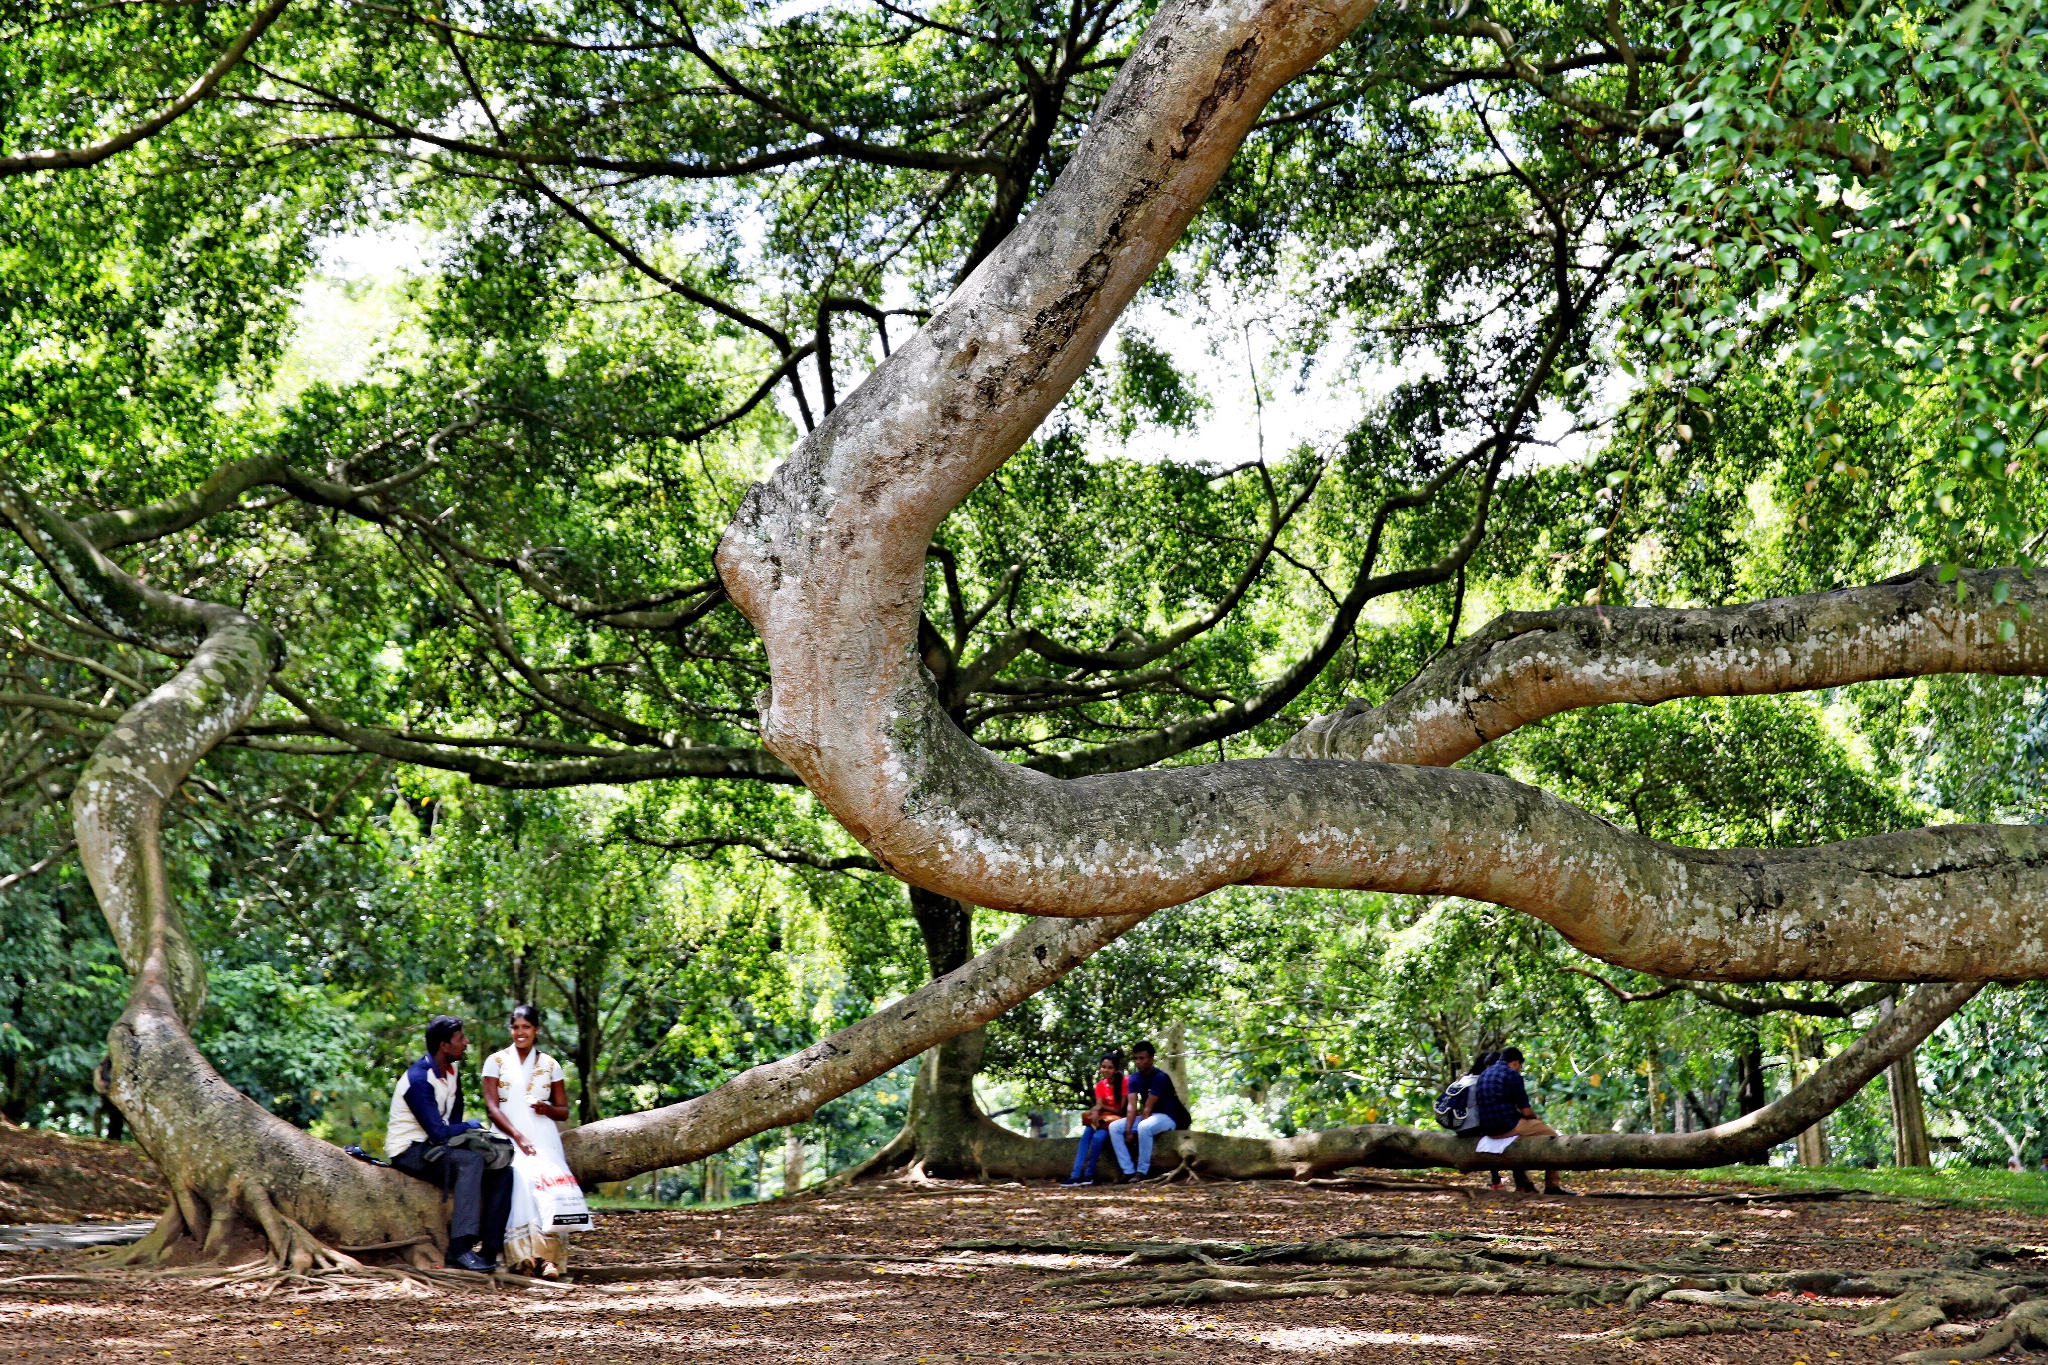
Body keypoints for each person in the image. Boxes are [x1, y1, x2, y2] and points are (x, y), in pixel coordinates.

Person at [386, 1015, 512, 1272]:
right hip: (410, 1150)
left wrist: (467, 1135)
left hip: (437, 1147)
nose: (466, 1042)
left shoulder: (452, 1072)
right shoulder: (419, 1079)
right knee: (470, 1161)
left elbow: (453, 1119)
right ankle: (459, 1248)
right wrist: (468, 1127)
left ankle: (489, 1249)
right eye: (460, 1039)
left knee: (503, 1171)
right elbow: (437, 1132)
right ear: (444, 1045)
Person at [481, 1004, 590, 1278]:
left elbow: (563, 1110)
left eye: (526, 1027)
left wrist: (545, 1108)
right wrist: (517, 1137)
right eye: (516, 1027)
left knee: (549, 1191)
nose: (520, 1033)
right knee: (521, 1186)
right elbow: (492, 1108)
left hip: (543, 1137)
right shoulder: (496, 1061)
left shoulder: (550, 1065)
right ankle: (523, 1257)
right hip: (508, 1137)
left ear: (536, 1030)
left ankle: (549, 1259)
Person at [1472, 1046, 1570, 1195]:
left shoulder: (1484, 1074)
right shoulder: (1512, 1075)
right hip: (1507, 1126)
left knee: (1518, 1141)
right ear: (1516, 1063)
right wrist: (1535, 1118)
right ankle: (1552, 1185)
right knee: (1553, 1137)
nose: (1519, 1070)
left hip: (1489, 1130)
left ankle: (1525, 1183)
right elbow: (1526, 1110)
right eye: (1520, 1067)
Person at [1108, 1041, 1190, 1182]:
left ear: (1151, 1058)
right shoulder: (1133, 1078)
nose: (1138, 1062)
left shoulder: (1160, 1077)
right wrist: (1128, 1130)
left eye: (1142, 1058)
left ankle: (1142, 1171)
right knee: (1114, 1127)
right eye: (1136, 1058)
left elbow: (1147, 1109)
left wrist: (1134, 1132)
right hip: (1150, 1116)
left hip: (1167, 1117)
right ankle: (1128, 1170)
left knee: (1144, 1127)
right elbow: (1131, 1106)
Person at [1062, 1051, 1127, 1187]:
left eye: (1110, 1067)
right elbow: (1098, 1104)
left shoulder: (1124, 1082)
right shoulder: (1100, 1085)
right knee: (1086, 1135)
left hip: (1117, 1121)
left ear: (1115, 1069)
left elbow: (1121, 1109)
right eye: (1103, 1067)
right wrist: (1095, 1111)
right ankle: (1075, 1175)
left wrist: (1102, 1106)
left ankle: (1089, 1174)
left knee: (1098, 1138)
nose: (1106, 1070)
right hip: (1102, 1119)